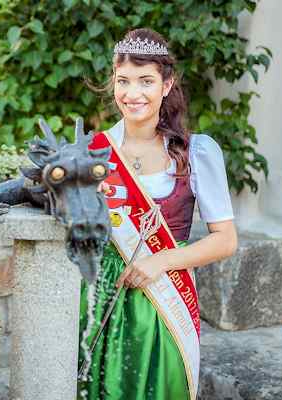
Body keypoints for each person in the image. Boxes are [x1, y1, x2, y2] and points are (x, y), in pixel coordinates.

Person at [78, 28, 239, 400]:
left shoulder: (195, 152)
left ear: (167, 85)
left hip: (164, 300)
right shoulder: (94, 150)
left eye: (146, 81)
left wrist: (163, 259)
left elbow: (226, 241)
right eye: (124, 81)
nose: (132, 94)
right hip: (100, 300)